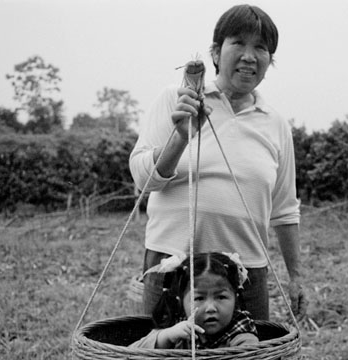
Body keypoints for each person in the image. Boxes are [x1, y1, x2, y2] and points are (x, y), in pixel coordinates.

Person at [129, 4, 305, 322]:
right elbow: (144, 181)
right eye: (238, 43)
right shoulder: (177, 99)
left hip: (245, 273)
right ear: (215, 52)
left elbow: (285, 209)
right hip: (172, 265)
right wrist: (181, 137)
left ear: (269, 61)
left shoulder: (275, 124)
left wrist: (296, 277)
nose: (250, 56)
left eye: (261, 48)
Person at [129, 252, 259, 349]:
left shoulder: (240, 333)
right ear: (181, 301)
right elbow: (132, 353)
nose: (211, 308)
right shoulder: (178, 325)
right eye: (199, 298)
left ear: (235, 299)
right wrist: (166, 336)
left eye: (221, 297)